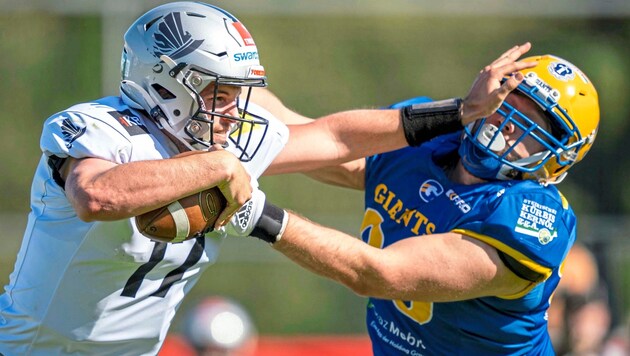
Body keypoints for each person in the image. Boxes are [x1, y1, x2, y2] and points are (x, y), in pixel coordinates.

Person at [0, 2, 531, 355]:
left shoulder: (221, 136)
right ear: (163, 82)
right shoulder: (97, 126)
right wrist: (218, 167)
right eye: (220, 92)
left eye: (239, 94)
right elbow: (96, 195)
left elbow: (337, 138)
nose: (235, 111)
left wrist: (459, 112)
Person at [232, 52, 601, 355]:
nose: (508, 124)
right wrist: (223, 85)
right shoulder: (430, 138)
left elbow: (380, 273)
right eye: (507, 103)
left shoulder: (532, 217)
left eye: (531, 123)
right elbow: (320, 141)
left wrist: (254, 213)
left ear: (558, 159)